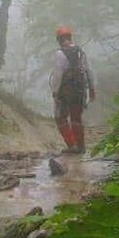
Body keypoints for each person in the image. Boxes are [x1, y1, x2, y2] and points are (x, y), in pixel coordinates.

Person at [50, 26, 96, 154]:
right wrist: (92, 88)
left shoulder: (60, 54)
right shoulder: (80, 52)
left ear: (59, 39)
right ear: (70, 37)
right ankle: (81, 147)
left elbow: (57, 75)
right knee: (76, 118)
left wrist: (55, 92)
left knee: (60, 117)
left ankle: (72, 145)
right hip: (80, 90)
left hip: (64, 91)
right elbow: (88, 70)